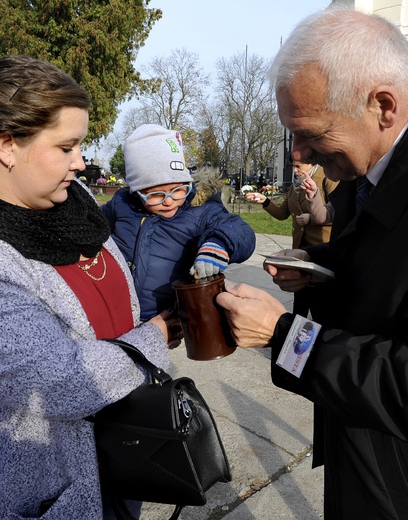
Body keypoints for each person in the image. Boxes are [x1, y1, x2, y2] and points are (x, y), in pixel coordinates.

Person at [0, 55, 181, 520]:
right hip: (54, 492)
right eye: (67, 147)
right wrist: (153, 340)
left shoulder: (74, 201)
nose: (81, 163)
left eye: (80, 145)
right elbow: (56, 383)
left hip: (123, 458)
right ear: (7, 145)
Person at [216, 7, 408, 519]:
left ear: (383, 106)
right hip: (360, 451)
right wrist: (319, 269)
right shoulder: (363, 177)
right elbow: (375, 273)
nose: (299, 154)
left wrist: (284, 336)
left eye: (311, 133)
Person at [101, 123, 255, 322]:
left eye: (178, 190)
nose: (169, 200)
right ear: (136, 192)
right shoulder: (122, 204)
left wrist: (219, 244)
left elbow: (240, 231)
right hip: (113, 311)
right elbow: (93, 222)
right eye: (155, 194)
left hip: (159, 316)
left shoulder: (201, 211)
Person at [246, 161, 338, 316]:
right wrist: (265, 201)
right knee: (299, 309)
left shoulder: (327, 177)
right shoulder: (295, 185)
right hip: (299, 256)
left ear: (311, 162)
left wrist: (312, 218)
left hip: (321, 254)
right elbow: (283, 214)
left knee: (321, 311)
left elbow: (340, 213)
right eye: (293, 166)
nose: (295, 170)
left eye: (298, 166)